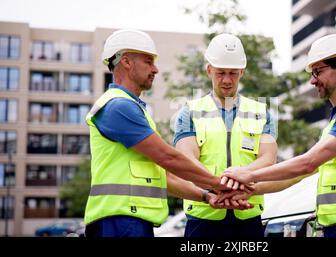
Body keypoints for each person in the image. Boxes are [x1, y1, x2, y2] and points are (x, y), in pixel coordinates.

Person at [222, 34, 336, 238]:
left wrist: (249, 175)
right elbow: (302, 173)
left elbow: (307, 163)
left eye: (317, 71)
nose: (312, 80)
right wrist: (253, 190)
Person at [83, 29, 236, 237]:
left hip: (128, 220)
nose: (155, 69)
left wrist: (206, 196)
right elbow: (168, 158)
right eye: (148, 61)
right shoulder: (118, 107)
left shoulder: (132, 108)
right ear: (126, 62)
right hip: (119, 222)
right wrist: (218, 184)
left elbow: (165, 176)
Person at [173, 33, 280, 237]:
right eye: (221, 73)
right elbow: (186, 161)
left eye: (233, 73)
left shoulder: (261, 112)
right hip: (204, 216)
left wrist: (237, 179)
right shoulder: (190, 112)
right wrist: (218, 185)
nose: (227, 80)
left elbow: (268, 159)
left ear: (242, 72)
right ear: (209, 70)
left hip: (248, 215)